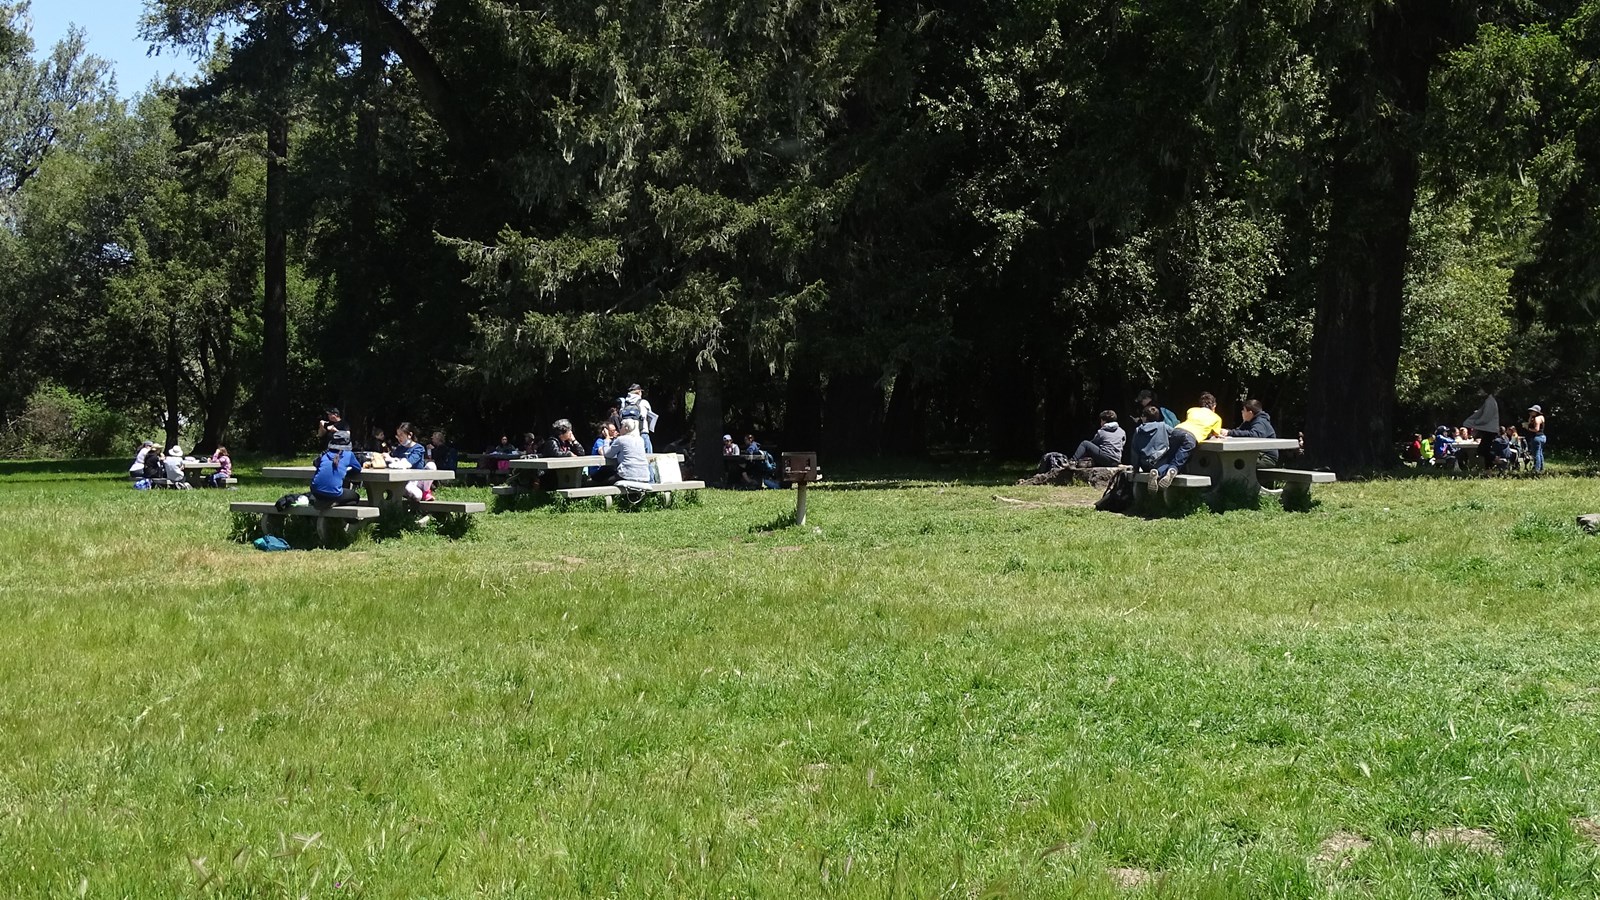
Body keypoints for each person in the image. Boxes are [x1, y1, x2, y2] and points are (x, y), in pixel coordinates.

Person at [311, 431, 363, 505]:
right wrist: (346, 472)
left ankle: (326, 503)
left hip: (316, 492)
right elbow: (358, 469)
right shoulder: (349, 455)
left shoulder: (325, 454)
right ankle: (334, 504)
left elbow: (315, 463)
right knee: (355, 497)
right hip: (334, 494)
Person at [1220, 398, 1279, 464]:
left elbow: (1254, 435)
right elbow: (1237, 431)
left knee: (1236, 462)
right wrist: (1225, 432)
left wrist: (1229, 433)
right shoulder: (1249, 421)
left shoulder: (1261, 421)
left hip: (1266, 457)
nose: (1242, 412)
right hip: (1256, 454)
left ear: (1250, 413)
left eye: (1244, 410)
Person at [389, 423, 434, 501]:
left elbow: (409, 463)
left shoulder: (419, 448)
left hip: (419, 479)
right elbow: (392, 462)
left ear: (409, 435)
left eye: (401, 435)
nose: (399, 438)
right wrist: (388, 458)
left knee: (431, 465)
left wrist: (396, 461)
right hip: (406, 481)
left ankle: (426, 491)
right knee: (417, 496)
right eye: (397, 435)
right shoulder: (399, 449)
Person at [602, 417, 652, 484]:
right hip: (644, 476)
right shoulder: (640, 440)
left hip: (627, 475)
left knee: (605, 483)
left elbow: (607, 454)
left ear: (626, 428)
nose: (620, 429)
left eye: (621, 426)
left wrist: (607, 439)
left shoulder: (621, 439)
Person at [1462, 388, 1500, 471]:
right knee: (1485, 450)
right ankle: (1488, 470)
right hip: (1489, 429)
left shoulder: (1490, 402)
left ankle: (1497, 459)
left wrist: (1476, 422)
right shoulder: (1489, 401)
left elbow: (1486, 417)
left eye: (1481, 390)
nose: (1480, 392)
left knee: (1482, 450)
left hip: (1490, 430)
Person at [1131, 406, 1174, 475]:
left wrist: (1136, 468)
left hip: (1145, 465)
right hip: (1161, 463)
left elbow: (1135, 451)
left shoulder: (1138, 430)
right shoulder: (1164, 426)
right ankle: (1160, 472)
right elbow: (1177, 436)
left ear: (1145, 417)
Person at [620, 383, 659, 453]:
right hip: (642, 432)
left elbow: (621, 416)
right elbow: (650, 416)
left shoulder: (624, 404)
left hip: (628, 434)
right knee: (649, 456)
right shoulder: (644, 402)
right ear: (638, 392)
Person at [1525, 404, 1546, 473]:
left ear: (1536, 411)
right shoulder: (1541, 417)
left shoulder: (1537, 419)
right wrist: (1531, 416)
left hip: (1536, 437)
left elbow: (1536, 429)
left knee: (1536, 454)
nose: (1530, 412)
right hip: (1542, 437)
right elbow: (1529, 422)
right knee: (1540, 453)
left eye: (1532, 411)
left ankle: (1536, 469)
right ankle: (1541, 468)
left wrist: (1528, 428)